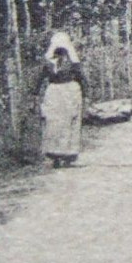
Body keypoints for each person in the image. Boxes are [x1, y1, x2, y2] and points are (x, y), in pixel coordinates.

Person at [33, 32, 90, 168]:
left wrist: (34, 94)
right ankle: (61, 154)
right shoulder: (67, 61)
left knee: (61, 123)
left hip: (61, 92)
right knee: (61, 122)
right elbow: (81, 78)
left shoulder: (62, 62)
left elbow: (40, 79)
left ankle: (61, 154)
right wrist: (85, 95)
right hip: (63, 93)